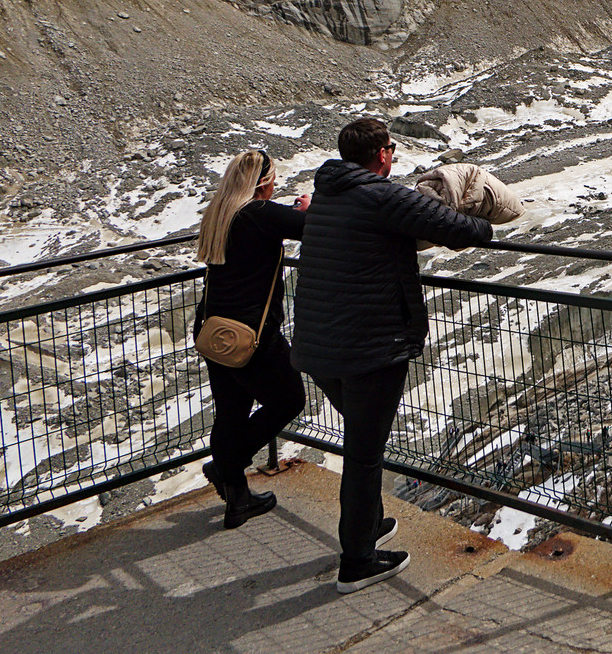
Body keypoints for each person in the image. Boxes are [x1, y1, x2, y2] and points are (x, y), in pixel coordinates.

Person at [293, 117, 494, 593]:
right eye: (392, 148)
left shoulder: (327, 194)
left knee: (363, 439)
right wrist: (479, 206)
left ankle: (367, 525)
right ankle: (357, 561)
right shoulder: (383, 196)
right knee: (363, 454)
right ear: (382, 153)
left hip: (319, 347)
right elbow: (467, 231)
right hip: (370, 348)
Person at [194, 149, 309, 529]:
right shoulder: (260, 213)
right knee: (290, 398)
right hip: (252, 336)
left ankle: (238, 500)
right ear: (265, 182)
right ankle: (226, 465)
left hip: (215, 330)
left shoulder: (220, 212)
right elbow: (315, 226)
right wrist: (311, 205)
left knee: (231, 411)